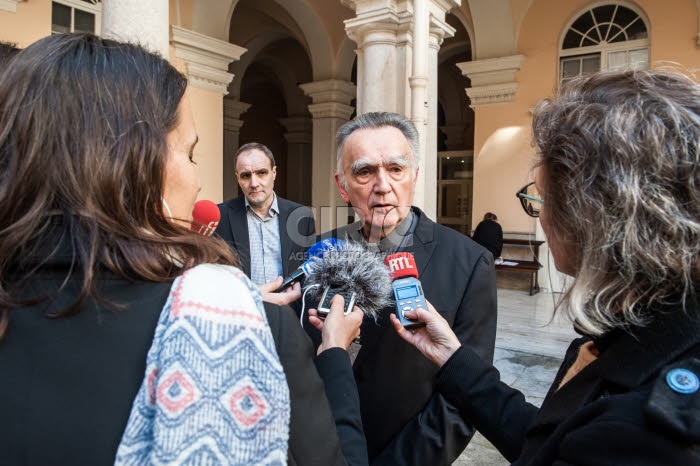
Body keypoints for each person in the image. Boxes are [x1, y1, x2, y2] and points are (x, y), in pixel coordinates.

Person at [0, 33, 363, 466]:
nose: (197, 182)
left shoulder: (299, 217)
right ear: (135, 160)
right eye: (190, 156)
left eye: (261, 173)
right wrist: (335, 355)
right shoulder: (251, 328)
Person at [391, 69, 700, 465]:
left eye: (541, 199)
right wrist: (453, 357)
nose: (539, 216)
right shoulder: (643, 336)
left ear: (593, 217)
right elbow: (548, 442)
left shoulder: (642, 436)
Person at [315, 111, 497, 465]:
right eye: (365, 172)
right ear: (342, 185)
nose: (382, 185)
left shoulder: (470, 262)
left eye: (395, 169)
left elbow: (463, 393)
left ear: (414, 175)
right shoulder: (319, 253)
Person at [216, 142, 316, 296]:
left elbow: (309, 270)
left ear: (274, 173)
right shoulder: (220, 217)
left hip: (288, 312)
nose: (254, 183)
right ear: (237, 177)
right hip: (244, 311)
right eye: (246, 175)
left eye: (261, 173)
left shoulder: (301, 217)